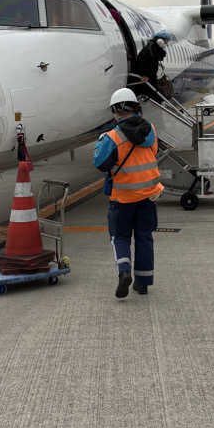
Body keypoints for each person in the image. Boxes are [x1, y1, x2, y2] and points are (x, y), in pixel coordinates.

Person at [94, 87, 163, 298]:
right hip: (148, 195)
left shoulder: (112, 137)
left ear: (115, 111)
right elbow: (153, 151)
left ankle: (124, 272)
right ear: (137, 108)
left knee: (120, 237)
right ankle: (142, 283)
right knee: (144, 237)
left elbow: (100, 164)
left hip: (122, 198)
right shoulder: (150, 130)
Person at [131, 35, 168, 101]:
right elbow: (142, 62)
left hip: (150, 78)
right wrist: (145, 75)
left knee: (157, 96)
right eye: (165, 43)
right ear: (160, 42)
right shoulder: (150, 50)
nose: (166, 44)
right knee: (154, 96)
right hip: (145, 79)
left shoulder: (153, 49)